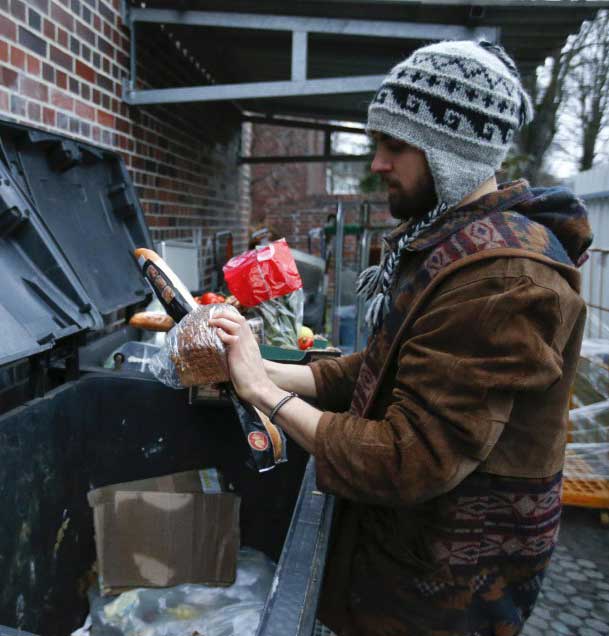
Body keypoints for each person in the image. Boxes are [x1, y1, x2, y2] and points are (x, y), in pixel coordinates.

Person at [209, 40, 592, 636]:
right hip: (409, 556)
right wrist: (267, 369)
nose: (377, 164)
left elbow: (407, 458)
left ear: (452, 153)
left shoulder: (503, 277)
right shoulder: (451, 241)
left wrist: (266, 395)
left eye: (395, 146)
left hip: (447, 591)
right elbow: (389, 365)